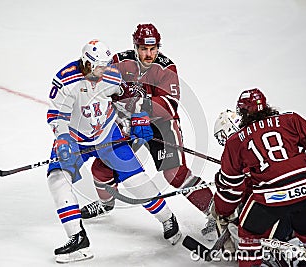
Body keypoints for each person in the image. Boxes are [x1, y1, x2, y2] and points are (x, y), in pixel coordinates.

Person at [46, 39, 181, 263]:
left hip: (108, 133)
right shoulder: (65, 80)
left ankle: (168, 218)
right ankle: (78, 240)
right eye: (99, 66)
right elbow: (56, 115)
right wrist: (61, 139)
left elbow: (127, 96)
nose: (105, 70)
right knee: (57, 179)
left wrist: (138, 118)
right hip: (75, 138)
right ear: (86, 63)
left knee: (136, 179)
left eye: (106, 64)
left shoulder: (110, 74)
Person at [79, 23, 216, 240]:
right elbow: (102, 91)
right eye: (143, 49)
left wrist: (144, 107)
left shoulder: (166, 67)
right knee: (102, 167)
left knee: (175, 174)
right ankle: (106, 204)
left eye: (153, 49)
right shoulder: (118, 62)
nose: (148, 54)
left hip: (161, 124)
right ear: (135, 46)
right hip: (128, 122)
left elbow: (171, 105)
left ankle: (216, 214)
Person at [213, 88, 306, 267]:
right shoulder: (290, 119)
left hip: (271, 197)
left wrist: (223, 212)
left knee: (248, 235)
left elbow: (231, 189)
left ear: (242, 113)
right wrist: (302, 163)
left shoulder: (236, 141)